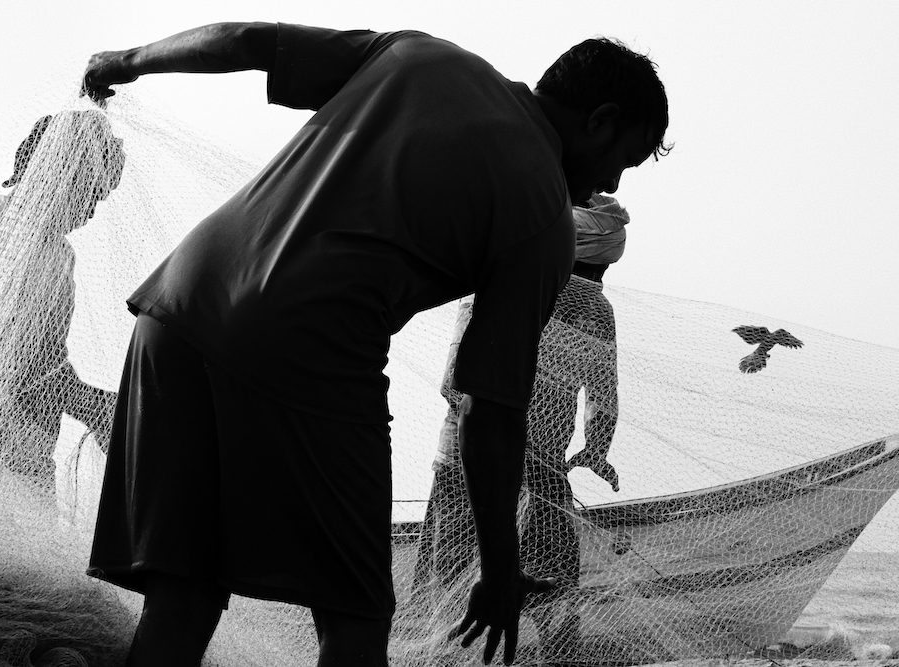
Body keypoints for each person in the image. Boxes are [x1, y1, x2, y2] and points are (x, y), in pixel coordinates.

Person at [81, 22, 668, 667]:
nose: (610, 184)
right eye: (625, 161)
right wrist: (501, 571)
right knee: (356, 617)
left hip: (178, 306)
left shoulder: (421, 54)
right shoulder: (542, 218)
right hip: (307, 344)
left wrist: (127, 61)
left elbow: (244, 40)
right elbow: (489, 408)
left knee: (184, 591)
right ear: (602, 121)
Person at [411, 194, 629, 662]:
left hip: (507, 468)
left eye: (600, 276)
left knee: (523, 586)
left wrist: (592, 447)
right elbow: (456, 383)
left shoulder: (559, 299)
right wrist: (587, 447)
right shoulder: (563, 302)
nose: (595, 284)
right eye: (595, 273)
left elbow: (601, 394)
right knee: (486, 589)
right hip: (490, 469)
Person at [0, 110, 125, 491]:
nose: (90, 211)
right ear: (55, 175)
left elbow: (49, 355)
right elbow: (4, 357)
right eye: (88, 193)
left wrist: (95, 406)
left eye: (99, 198)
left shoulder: (59, 255)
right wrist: (93, 406)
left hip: (32, 447)